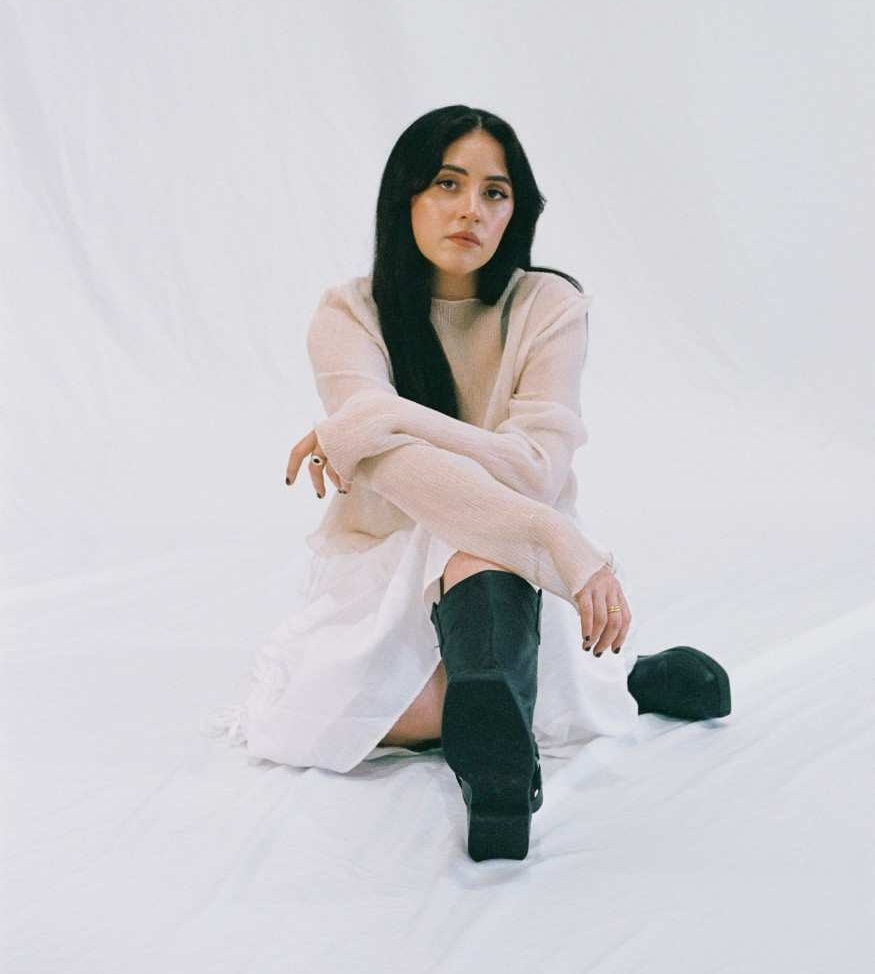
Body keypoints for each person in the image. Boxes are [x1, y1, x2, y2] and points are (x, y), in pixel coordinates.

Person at [204, 105, 731, 862]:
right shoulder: (347, 313)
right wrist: (558, 539)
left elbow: (532, 469)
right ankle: (580, 689)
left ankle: (501, 773)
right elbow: (399, 474)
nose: (469, 210)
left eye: (495, 192)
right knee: (314, 719)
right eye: (447, 184)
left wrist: (376, 418)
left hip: (509, 556)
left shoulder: (549, 307)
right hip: (386, 560)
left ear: (517, 210)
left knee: (481, 551)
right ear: (405, 196)